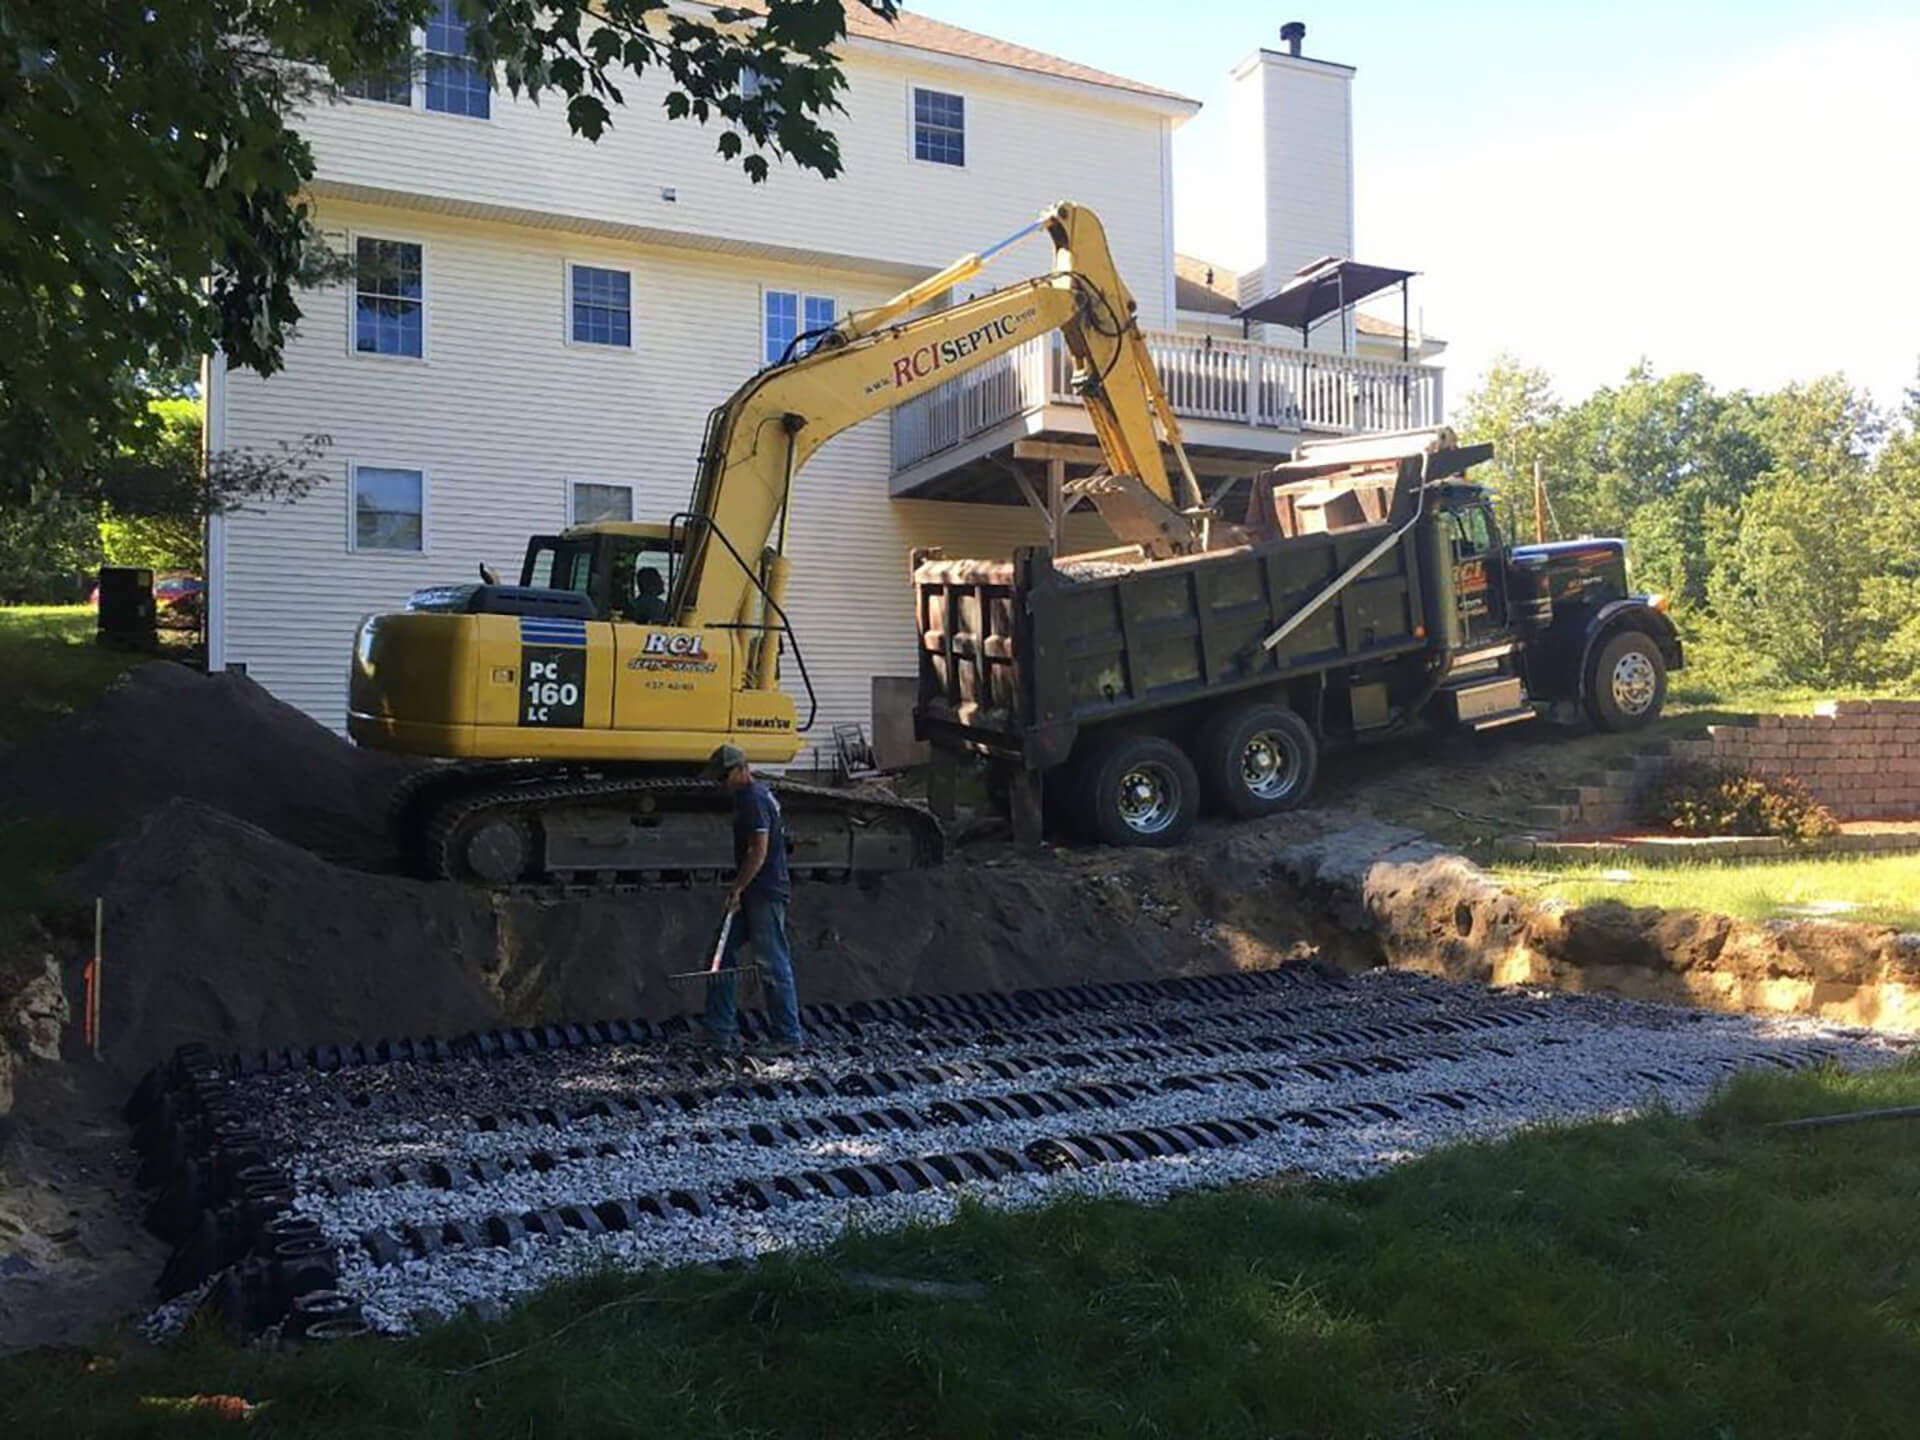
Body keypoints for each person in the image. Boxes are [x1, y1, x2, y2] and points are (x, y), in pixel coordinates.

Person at [700, 743, 803, 1054]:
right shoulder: (749, 797)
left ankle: (788, 1037)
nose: (720, 784)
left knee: (772, 962)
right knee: (719, 955)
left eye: (723, 777)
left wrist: (737, 888)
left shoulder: (755, 800)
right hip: (754, 891)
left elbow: (758, 851)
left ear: (740, 769)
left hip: (764, 891)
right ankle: (719, 1032)